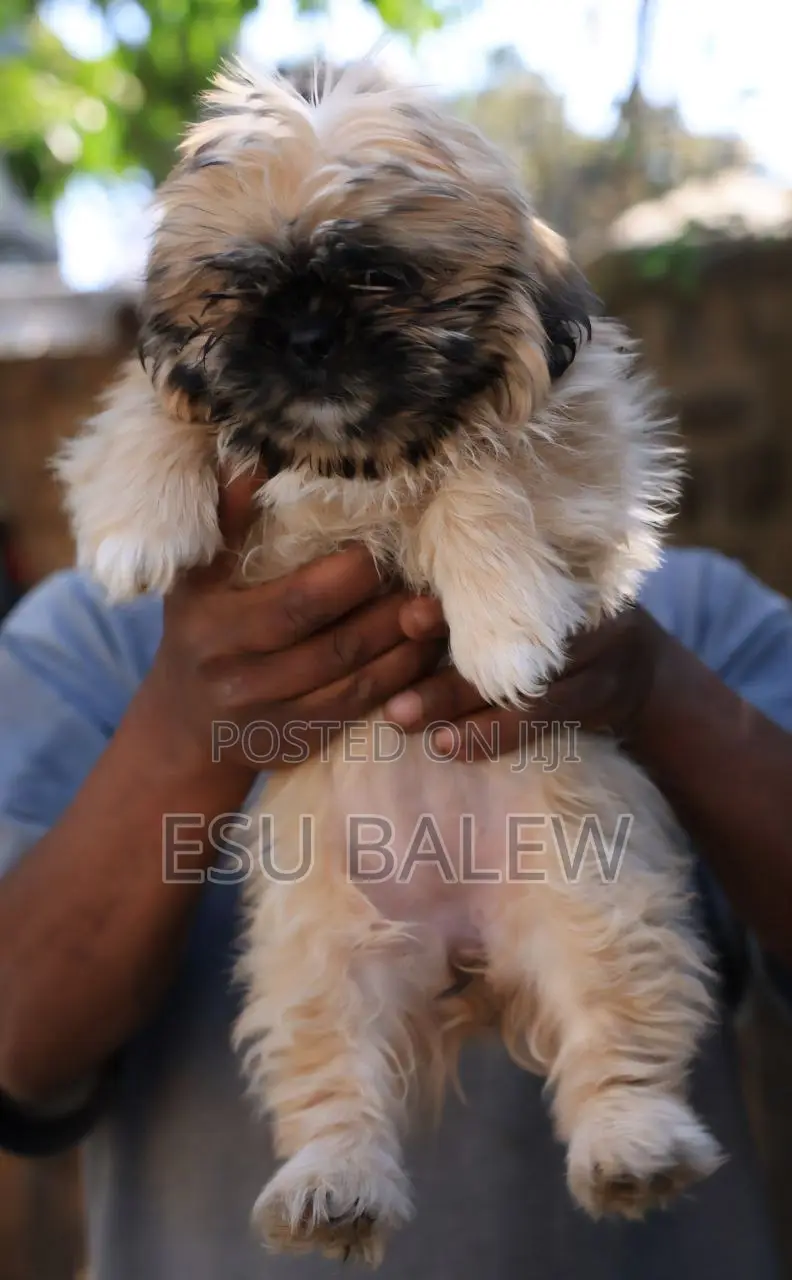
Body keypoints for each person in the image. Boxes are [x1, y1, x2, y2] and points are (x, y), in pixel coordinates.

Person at [1, 470, 791, 1280]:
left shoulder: (683, 605)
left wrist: (659, 691)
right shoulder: (91, 634)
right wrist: (184, 731)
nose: (316, 345)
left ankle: (617, 1091)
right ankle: (337, 1139)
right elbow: (16, 1035)